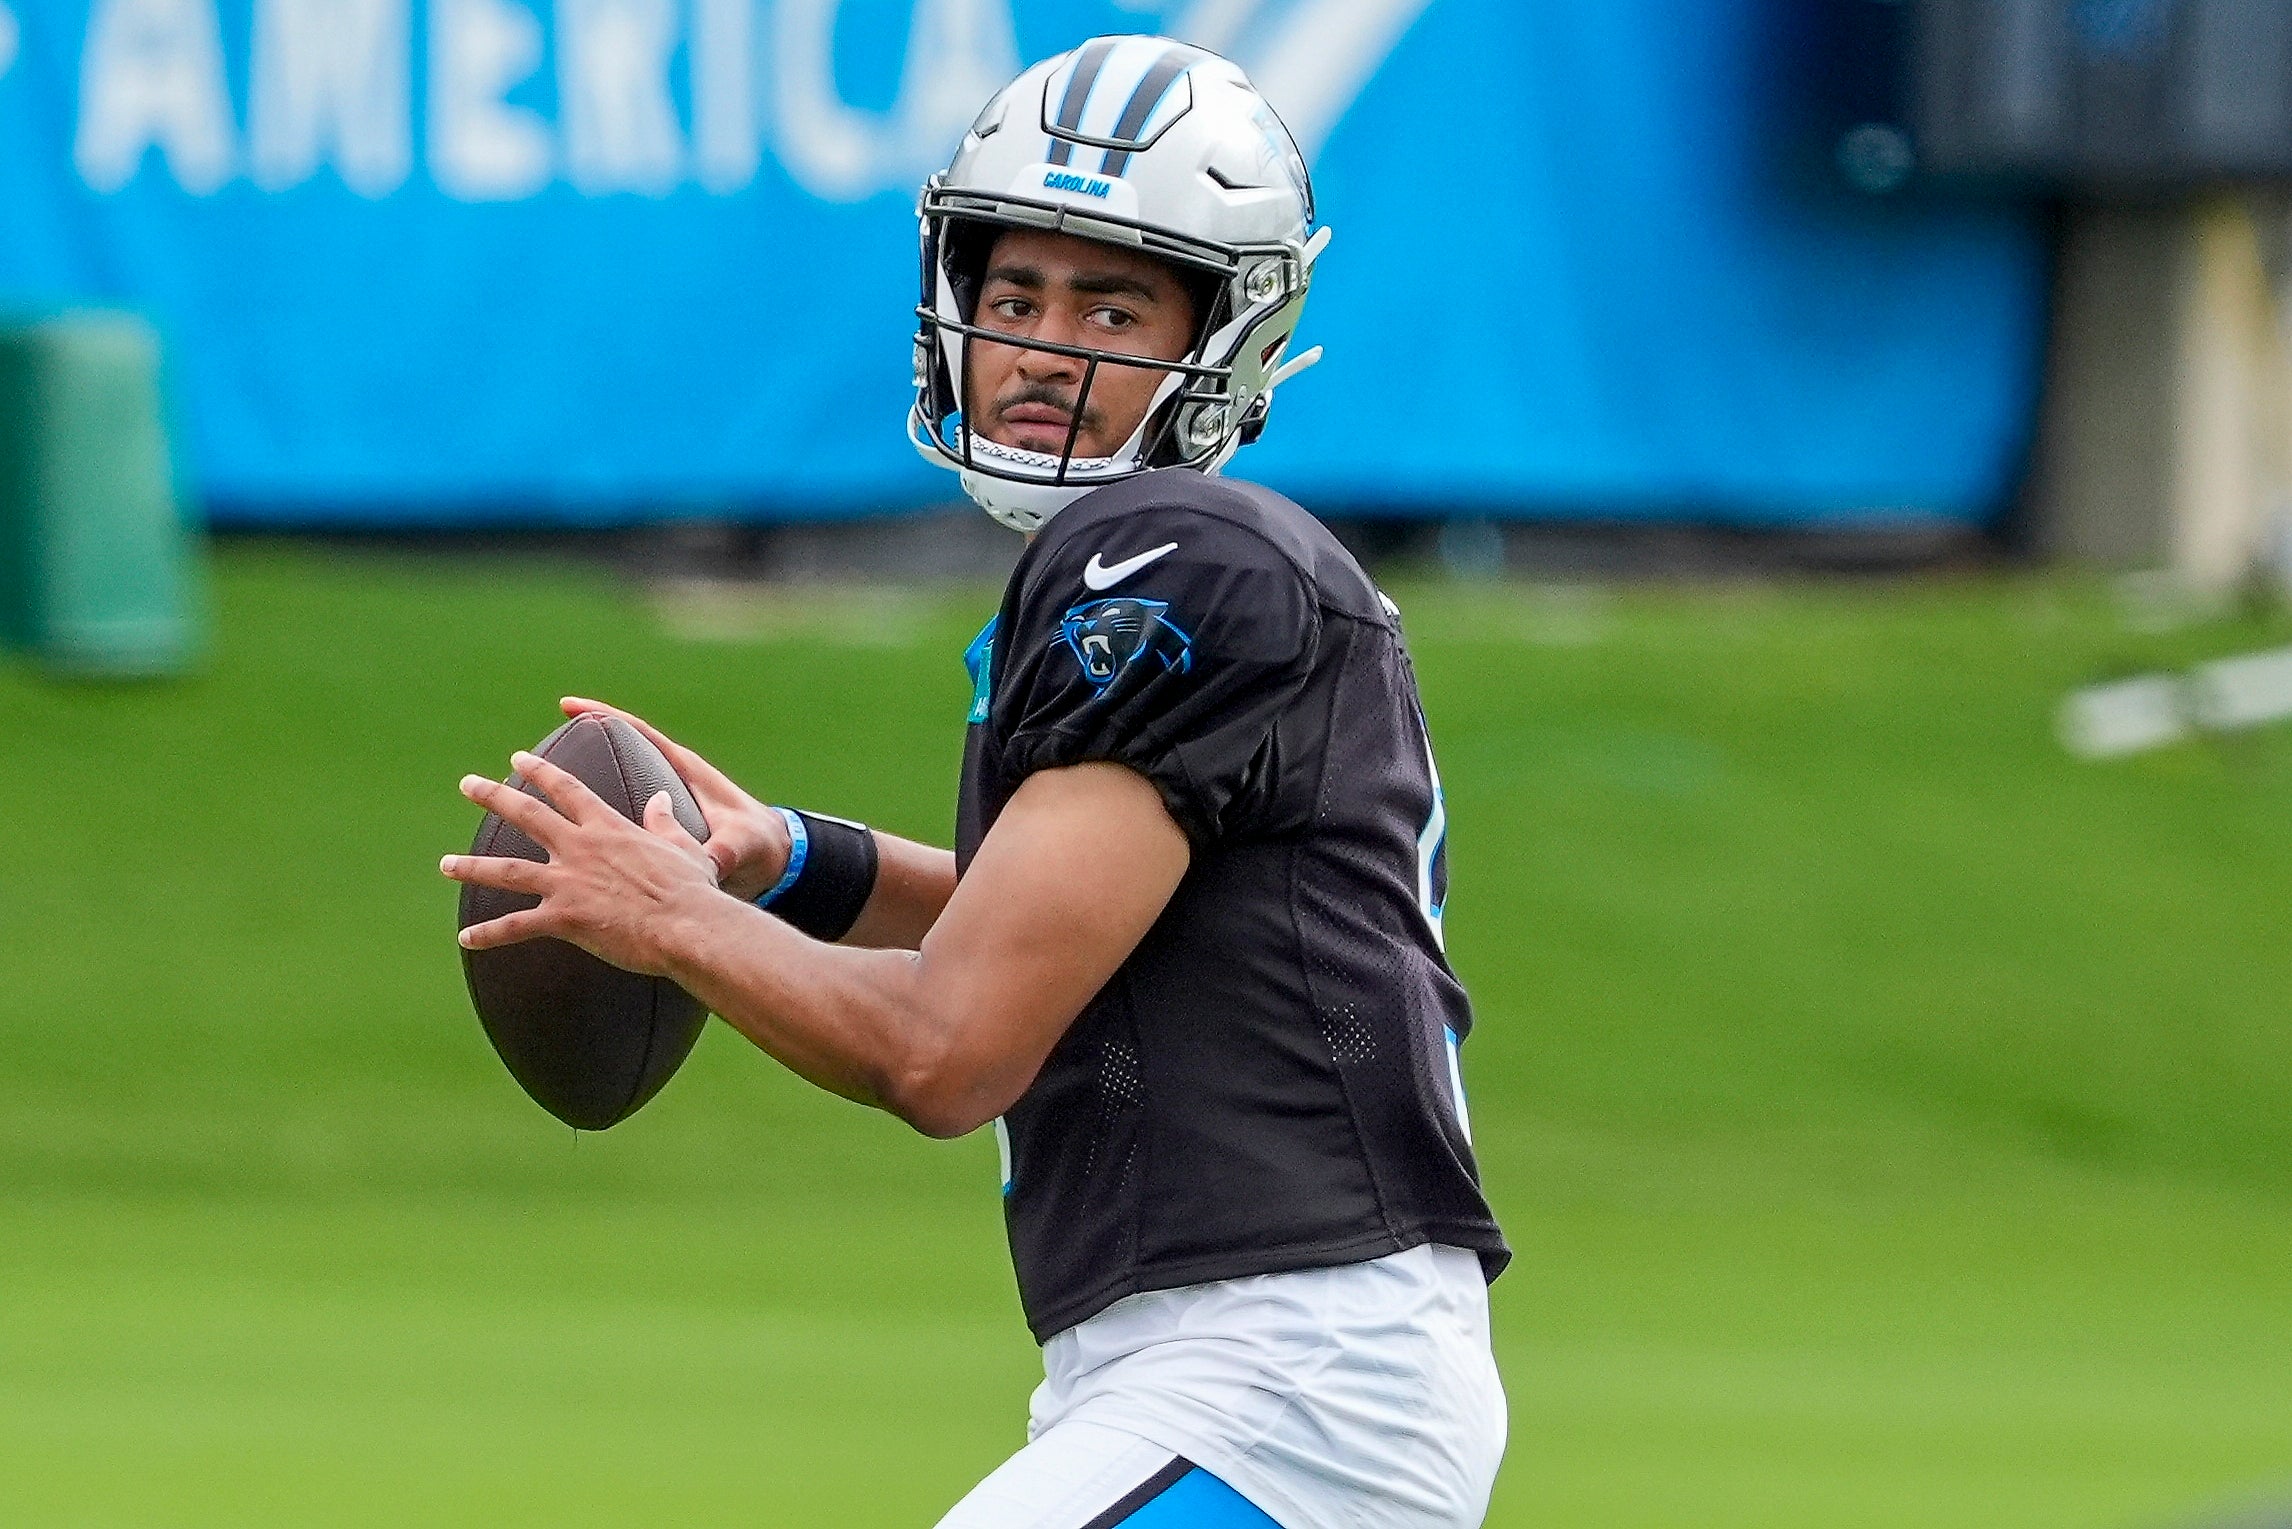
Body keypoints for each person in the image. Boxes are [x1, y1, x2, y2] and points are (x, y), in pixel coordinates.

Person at [442, 36, 1508, 1529]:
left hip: (1277, 1379)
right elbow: (1076, 934)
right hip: (1243, 1374)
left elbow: (950, 1050)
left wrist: (671, 919)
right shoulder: (1179, 572)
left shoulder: (1170, 563)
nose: (1041, 348)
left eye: (1111, 306)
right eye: (1014, 296)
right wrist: (791, 860)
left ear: (1230, 331)